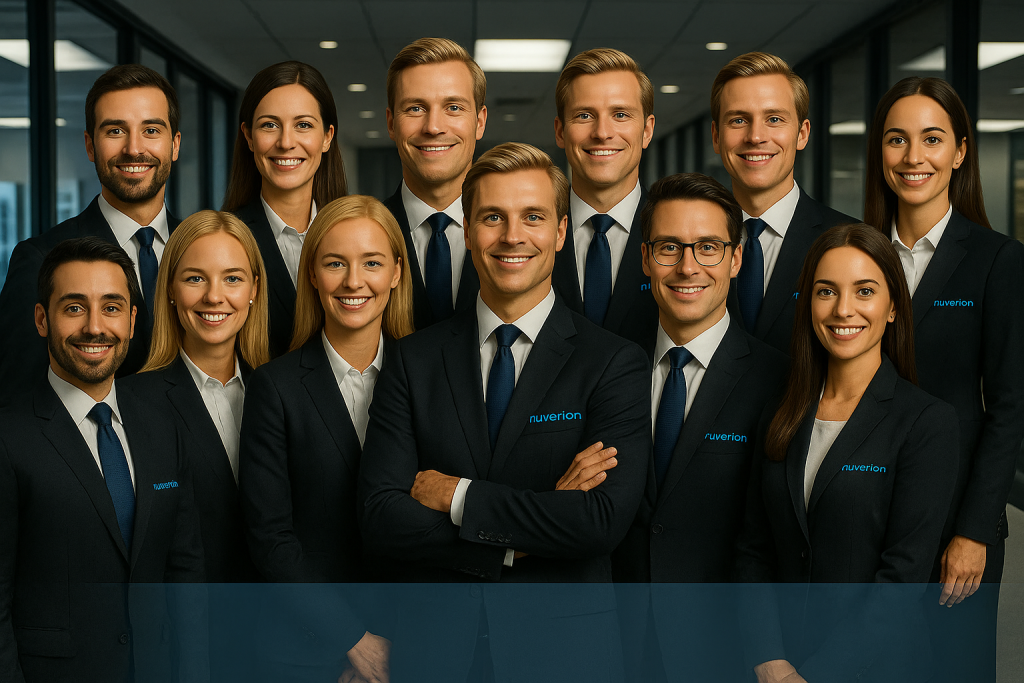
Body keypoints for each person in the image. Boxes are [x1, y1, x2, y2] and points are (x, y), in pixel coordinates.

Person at [358, 142, 650, 683]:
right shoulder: (414, 358)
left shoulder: (613, 363)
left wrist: (460, 497)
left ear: (561, 232)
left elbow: (599, 522)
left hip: (565, 655)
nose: (513, 236)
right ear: (467, 231)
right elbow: (382, 517)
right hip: (435, 654)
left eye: (533, 217)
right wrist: (525, 537)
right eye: (493, 217)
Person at [733, 224, 959, 683]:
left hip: (876, 668)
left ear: (893, 306)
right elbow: (752, 550)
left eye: (865, 291)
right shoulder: (781, 412)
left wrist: (814, 676)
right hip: (777, 667)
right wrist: (770, 659)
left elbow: (901, 580)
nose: (843, 310)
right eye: (826, 291)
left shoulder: (927, 423)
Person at [864, 77, 1024, 683]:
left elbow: (1009, 408)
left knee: (953, 668)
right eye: (897, 140)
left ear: (959, 151)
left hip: (955, 516)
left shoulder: (996, 261)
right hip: (866, 504)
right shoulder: (860, 256)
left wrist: (974, 530)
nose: (913, 158)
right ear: (880, 152)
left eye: (932, 140)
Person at [0, 237, 205, 683]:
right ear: (41, 318)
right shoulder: (8, 437)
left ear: (132, 321)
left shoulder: (163, 427)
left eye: (111, 307)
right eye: (74, 308)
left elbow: (184, 571)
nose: (95, 327)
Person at [612, 173, 788, 683]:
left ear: (735, 258)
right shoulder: (605, 365)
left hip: (727, 648)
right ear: (645, 259)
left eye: (708, 247)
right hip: (611, 641)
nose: (687, 267)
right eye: (669, 247)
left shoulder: (779, 382)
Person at [239, 195, 412, 683]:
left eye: (372, 263)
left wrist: (384, 643)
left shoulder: (430, 373)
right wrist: (355, 642)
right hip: (303, 651)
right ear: (312, 274)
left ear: (396, 272)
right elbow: (271, 537)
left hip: (411, 643)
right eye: (335, 263)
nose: (354, 281)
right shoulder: (275, 388)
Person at [121, 210, 268, 682]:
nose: (214, 297)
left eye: (232, 278)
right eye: (194, 278)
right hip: (183, 654)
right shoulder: (133, 403)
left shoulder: (286, 392)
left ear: (254, 290)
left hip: (284, 647)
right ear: (168, 288)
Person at [0, 64, 182, 402]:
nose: (134, 149)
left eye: (151, 130)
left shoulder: (200, 250)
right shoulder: (40, 259)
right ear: (89, 145)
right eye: (115, 131)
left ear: (174, 144)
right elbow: (16, 405)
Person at [710, 52, 853, 354]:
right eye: (738, 120)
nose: (756, 136)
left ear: (801, 134)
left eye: (774, 119)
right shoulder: (686, 243)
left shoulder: (849, 242)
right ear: (716, 137)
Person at [222, 61, 346, 358]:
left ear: (327, 136)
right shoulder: (225, 242)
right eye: (269, 125)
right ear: (249, 137)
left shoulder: (356, 235)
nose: (286, 142)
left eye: (303, 125)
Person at [552, 48, 659, 344]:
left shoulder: (678, 234)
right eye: (584, 115)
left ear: (647, 130)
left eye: (620, 114)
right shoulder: (529, 231)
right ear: (560, 131)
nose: (602, 133)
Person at [382, 37, 485, 330]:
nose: (434, 127)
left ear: (479, 122)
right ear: (391, 123)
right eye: (415, 108)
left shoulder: (522, 236)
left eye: (453, 107)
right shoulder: (364, 233)